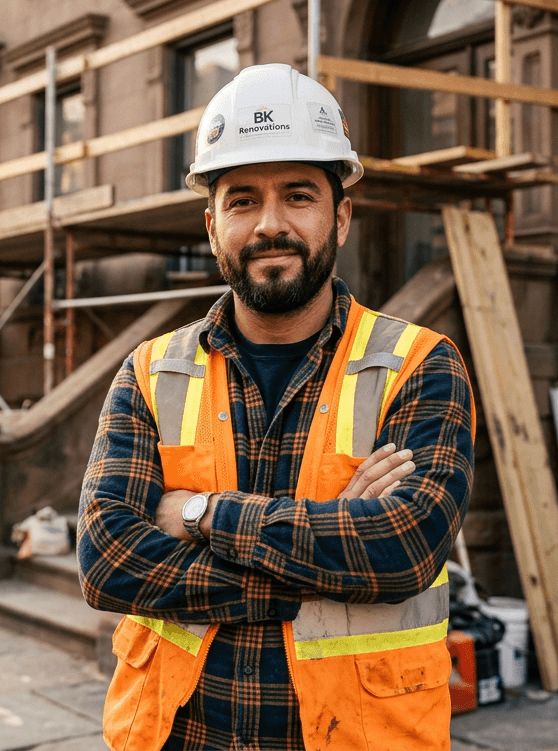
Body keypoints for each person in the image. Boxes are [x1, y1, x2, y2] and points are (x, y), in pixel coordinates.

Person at [78, 64, 475, 751]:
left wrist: (200, 514)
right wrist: (322, 559)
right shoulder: (150, 372)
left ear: (340, 215)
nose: (270, 225)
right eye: (241, 201)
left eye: (297, 196)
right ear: (211, 227)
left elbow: (401, 548)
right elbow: (107, 559)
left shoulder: (419, 364)